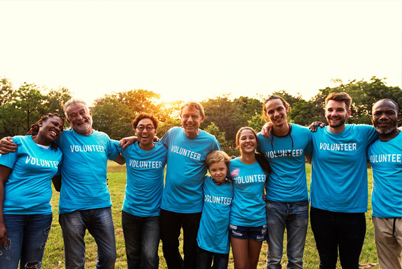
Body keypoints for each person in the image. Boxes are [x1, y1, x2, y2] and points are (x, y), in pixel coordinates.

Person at [0, 98, 124, 269]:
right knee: (74, 262)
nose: (79, 117)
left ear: (90, 113)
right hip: (71, 209)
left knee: (110, 256)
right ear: (68, 121)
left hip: (100, 205)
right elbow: (37, 139)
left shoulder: (103, 138)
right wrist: (4, 142)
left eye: (82, 112)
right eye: (73, 115)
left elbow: (122, 156)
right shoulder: (62, 137)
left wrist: (140, 138)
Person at [120, 101, 220, 269]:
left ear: (201, 118)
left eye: (194, 117)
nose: (189, 120)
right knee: (168, 250)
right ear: (180, 117)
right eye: (186, 116)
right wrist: (135, 137)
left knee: (191, 251)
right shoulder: (173, 133)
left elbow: (220, 163)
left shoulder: (210, 141)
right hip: (168, 206)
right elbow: (155, 143)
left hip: (194, 207)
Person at [309, 92, 378, 268]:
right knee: (326, 262)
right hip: (321, 210)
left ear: (348, 113)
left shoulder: (364, 132)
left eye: (340, 110)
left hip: (353, 212)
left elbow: (392, 130)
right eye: (330, 109)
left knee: (350, 263)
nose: (334, 113)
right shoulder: (315, 134)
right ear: (325, 112)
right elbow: (287, 131)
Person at [0, 113, 64, 269]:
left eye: (61, 128)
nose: (57, 128)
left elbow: (59, 185)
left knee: (32, 266)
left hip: (40, 217)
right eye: (54, 124)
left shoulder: (57, 153)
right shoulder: (17, 143)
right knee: (7, 264)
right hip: (11, 215)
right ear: (41, 122)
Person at [258, 95, 312, 269]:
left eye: (279, 109)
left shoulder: (304, 134)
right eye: (270, 112)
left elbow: (313, 160)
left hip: (300, 203)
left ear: (287, 107)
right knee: (273, 259)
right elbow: (248, 157)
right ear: (266, 115)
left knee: (296, 260)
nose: (276, 114)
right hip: (274, 203)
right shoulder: (261, 139)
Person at [114, 112, 167, 269]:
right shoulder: (127, 148)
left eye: (149, 128)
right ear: (135, 130)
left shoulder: (163, 150)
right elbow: (106, 145)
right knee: (133, 254)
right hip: (130, 212)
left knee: (150, 255)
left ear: (155, 131)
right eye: (140, 128)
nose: (145, 131)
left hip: (154, 214)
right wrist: (132, 139)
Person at [367, 99, 402, 269]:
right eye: (378, 113)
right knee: (388, 266)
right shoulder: (369, 143)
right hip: (381, 216)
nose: (383, 117)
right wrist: (319, 125)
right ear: (372, 118)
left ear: (398, 116)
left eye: (389, 113)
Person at [229, 127, 270, 269]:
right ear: (238, 142)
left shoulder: (264, 163)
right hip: (238, 219)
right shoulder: (231, 165)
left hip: (259, 220)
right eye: (243, 138)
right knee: (240, 266)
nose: (248, 141)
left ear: (256, 142)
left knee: (252, 265)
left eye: (251, 137)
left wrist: (266, 196)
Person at [196, 150, 233, 269]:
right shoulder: (205, 182)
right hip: (204, 240)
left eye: (221, 169)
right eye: (214, 170)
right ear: (209, 170)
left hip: (222, 242)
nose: (218, 173)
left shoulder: (233, 186)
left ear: (227, 168)